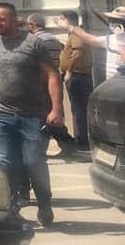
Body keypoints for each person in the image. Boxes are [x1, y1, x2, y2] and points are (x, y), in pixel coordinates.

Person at [0, 2, 64, 226]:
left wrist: (56, 109)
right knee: (6, 162)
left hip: (32, 115)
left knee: (33, 162)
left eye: (1, 19)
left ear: (14, 20)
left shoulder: (33, 42)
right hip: (1, 114)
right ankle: (12, 207)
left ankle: (44, 202)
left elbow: (53, 75)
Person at [25, 14, 77, 157]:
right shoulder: (53, 38)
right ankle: (67, 145)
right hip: (53, 79)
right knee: (50, 114)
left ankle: (47, 148)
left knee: (44, 114)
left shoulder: (36, 40)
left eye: (27, 25)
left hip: (41, 81)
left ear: (32, 25)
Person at [55, 5, 125, 79]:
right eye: (111, 20)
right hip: (112, 84)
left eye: (116, 20)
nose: (112, 23)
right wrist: (70, 27)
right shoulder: (112, 38)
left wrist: (121, 43)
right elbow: (89, 38)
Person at [57, 10, 92, 151]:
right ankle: (82, 139)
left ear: (68, 20)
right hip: (78, 77)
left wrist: (69, 72)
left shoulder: (77, 33)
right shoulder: (73, 34)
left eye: (61, 18)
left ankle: (83, 141)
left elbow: (77, 53)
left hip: (78, 77)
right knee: (78, 109)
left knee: (79, 110)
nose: (58, 21)